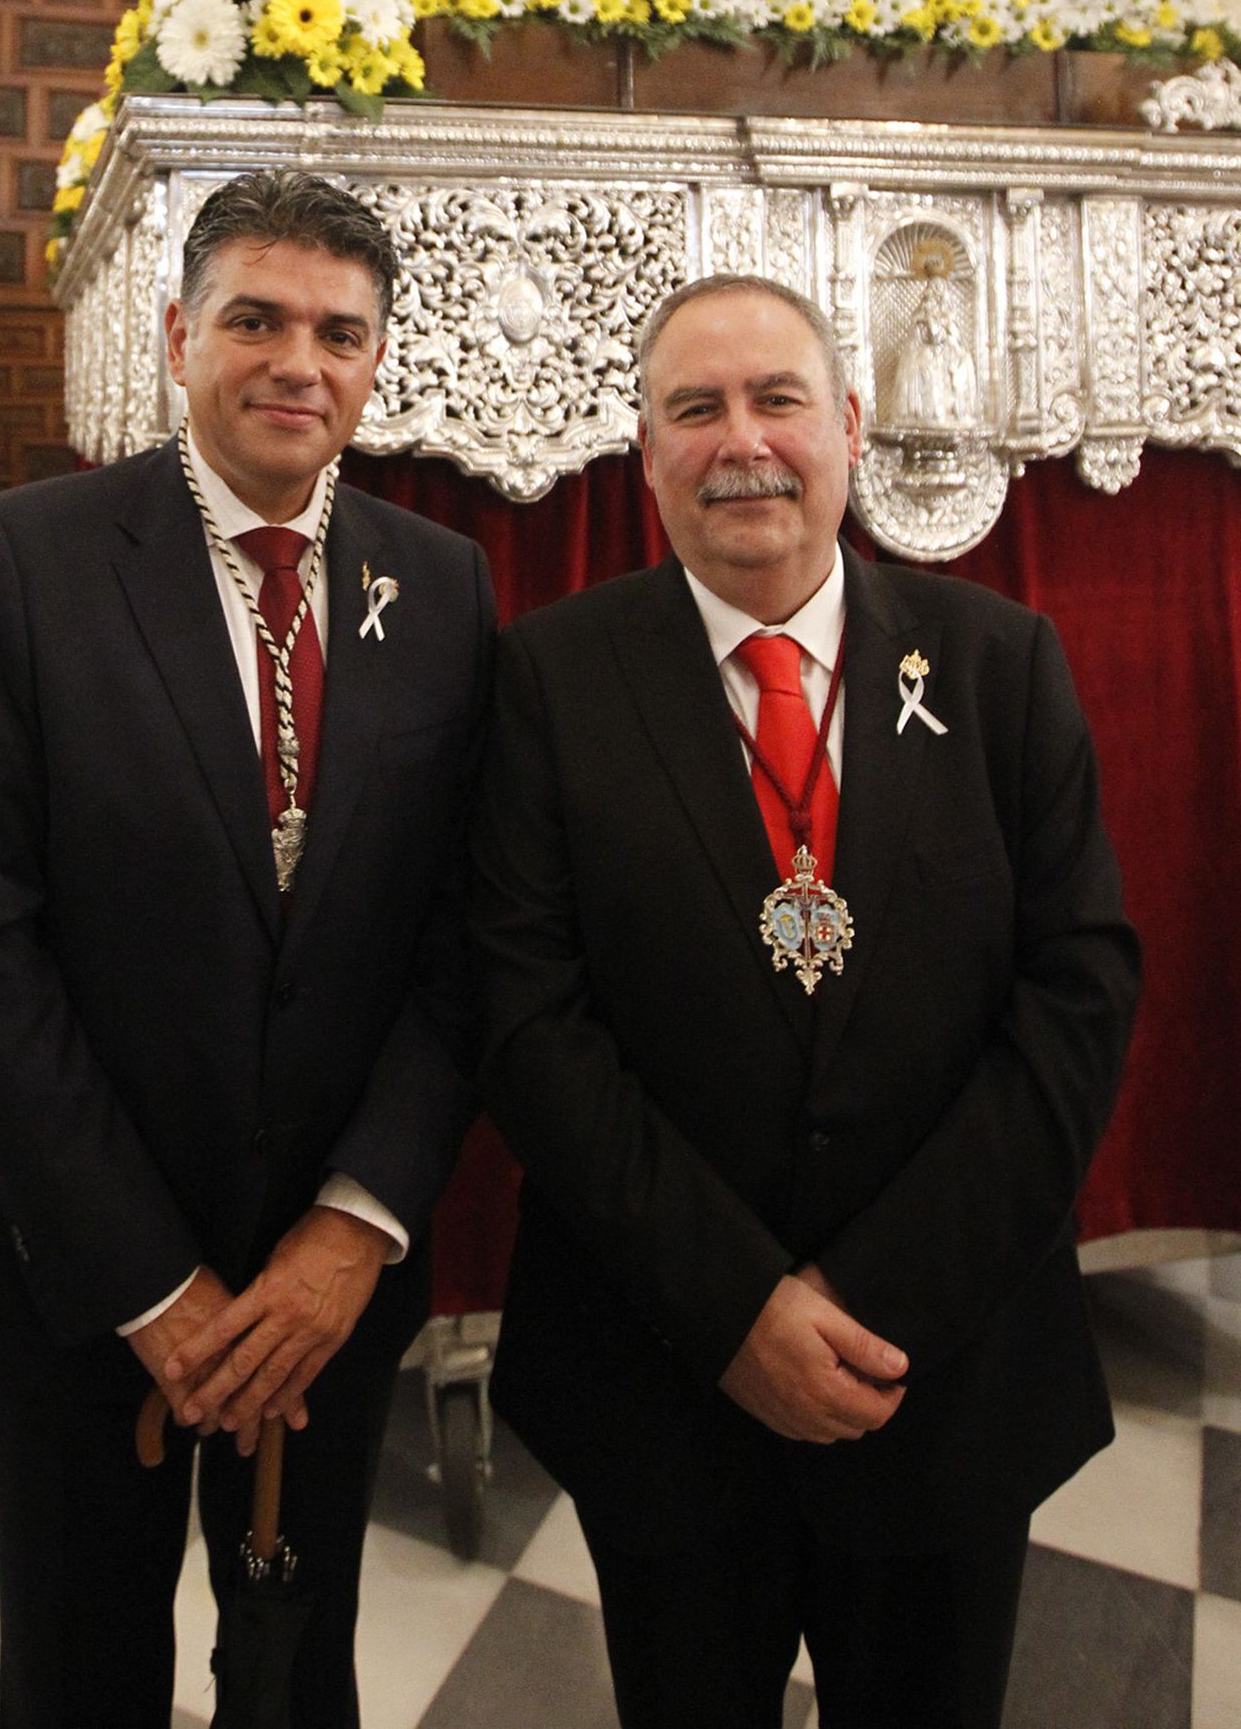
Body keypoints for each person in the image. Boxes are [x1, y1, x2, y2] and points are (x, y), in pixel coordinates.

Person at [472, 273, 1138, 1729]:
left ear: (849, 422)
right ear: (642, 452)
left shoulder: (999, 663)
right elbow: (528, 1022)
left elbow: (1079, 995)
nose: (742, 441)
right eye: (694, 408)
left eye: (777, 398)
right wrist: (737, 1308)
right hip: (663, 1380)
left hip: (944, 1376)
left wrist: (867, 1298)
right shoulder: (550, 678)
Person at [0, 169, 495, 1729]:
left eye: (338, 329)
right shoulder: (26, 561)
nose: (297, 361)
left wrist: (351, 1230)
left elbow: (464, 943)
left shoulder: (437, 587)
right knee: (79, 1669)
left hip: (326, 1277)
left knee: (298, 1664)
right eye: (256, 318)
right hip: (82, 1271)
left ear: (378, 359)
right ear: (180, 334)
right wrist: (154, 1285)